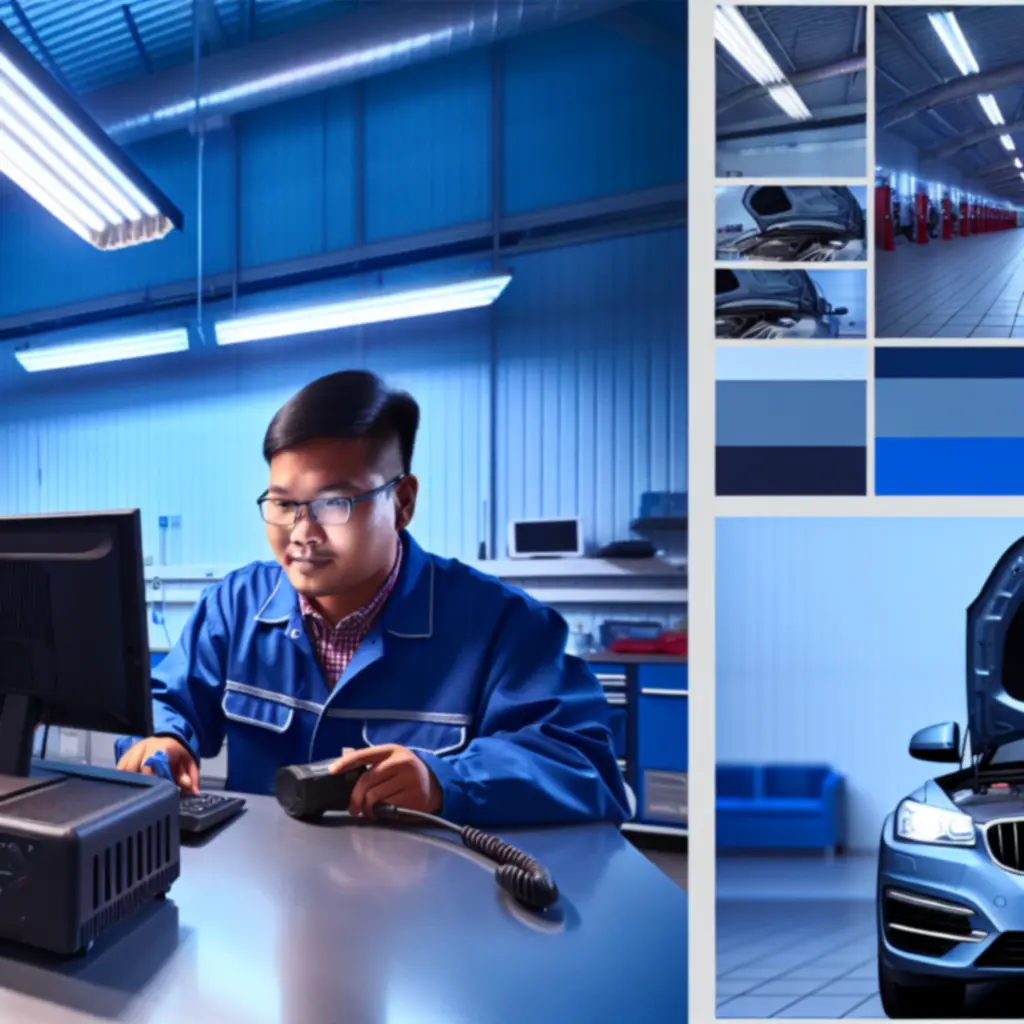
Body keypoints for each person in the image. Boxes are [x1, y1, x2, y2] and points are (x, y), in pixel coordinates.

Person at [116, 370, 632, 828]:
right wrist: (165, 739)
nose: (302, 532)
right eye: (283, 503)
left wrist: (446, 779)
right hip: (268, 905)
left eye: (334, 502)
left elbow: (584, 764)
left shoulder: (503, 627)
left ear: (402, 502)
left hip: (428, 908)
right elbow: (166, 702)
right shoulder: (233, 607)